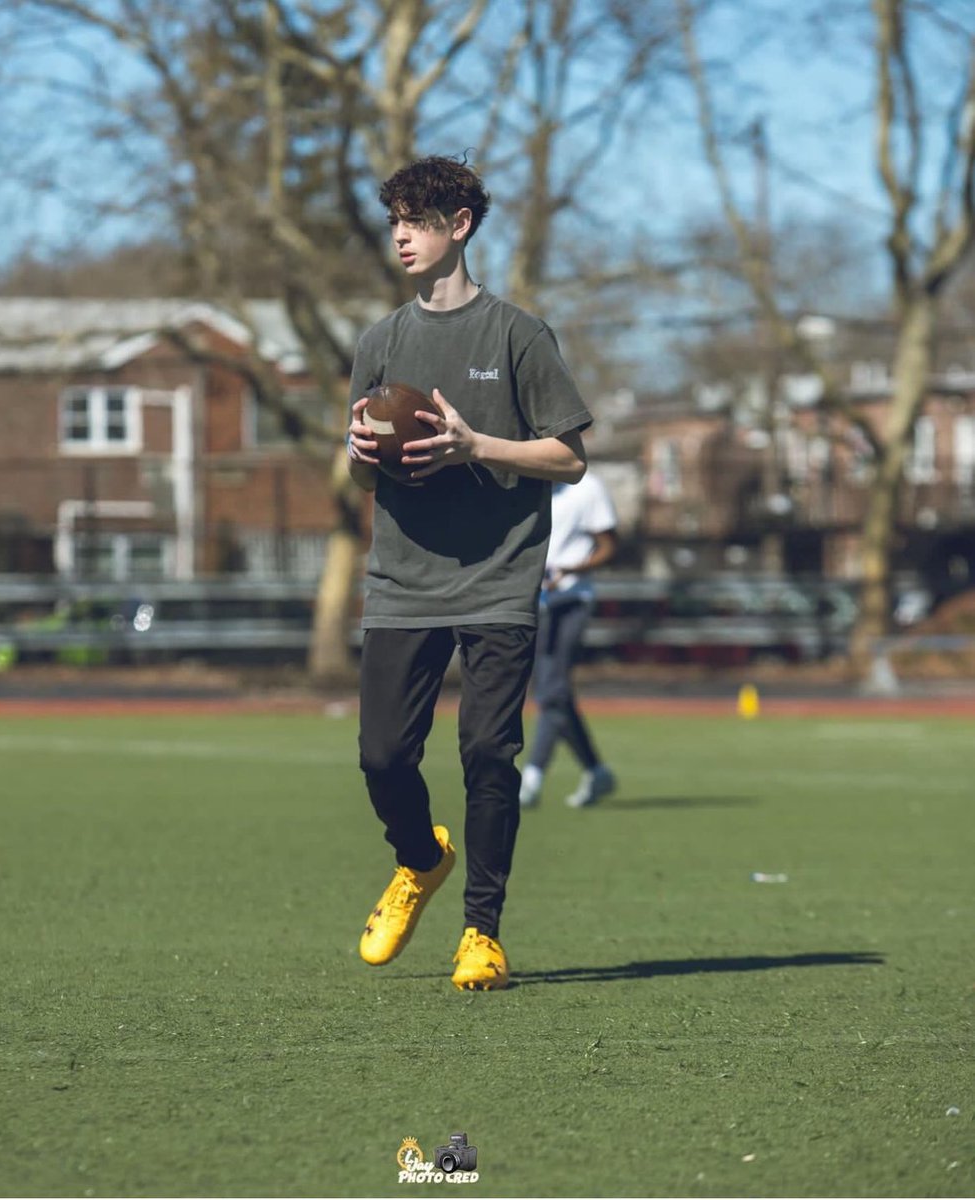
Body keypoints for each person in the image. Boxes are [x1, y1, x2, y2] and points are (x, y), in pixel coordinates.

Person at [346, 154, 592, 991]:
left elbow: (570, 458)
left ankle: (481, 933)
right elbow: (359, 477)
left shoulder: (518, 335)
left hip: (497, 577)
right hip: (402, 581)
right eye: (394, 223)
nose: (402, 237)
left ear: (462, 226)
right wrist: (354, 454)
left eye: (417, 221)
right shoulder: (380, 343)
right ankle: (419, 859)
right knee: (382, 758)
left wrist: (473, 445)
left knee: (490, 751)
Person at [518, 471, 619, 810]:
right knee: (554, 692)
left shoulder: (588, 488)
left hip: (572, 601)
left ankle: (531, 778)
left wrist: (572, 569)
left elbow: (608, 546)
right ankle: (596, 769)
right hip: (538, 603)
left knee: (552, 690)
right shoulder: (526, 485)